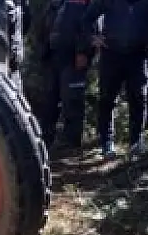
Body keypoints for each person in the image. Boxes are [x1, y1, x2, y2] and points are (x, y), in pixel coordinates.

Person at [82, 0, 148, 157]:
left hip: (138, 55)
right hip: (111, 53)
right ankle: (107, 143)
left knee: (138, 98)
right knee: (107, 98)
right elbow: (87, 18)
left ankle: (136, 142)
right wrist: (93, 38)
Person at [37, 0, 94, 151]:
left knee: (72, 98)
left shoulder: (83, 3)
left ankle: (71, 141)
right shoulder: (53, 3)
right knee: (50, 99)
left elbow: (89, 25)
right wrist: (42, 49)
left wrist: (83, 51)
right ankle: (45, 138)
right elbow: (44, 25)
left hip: (72, 58)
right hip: (52, 56)